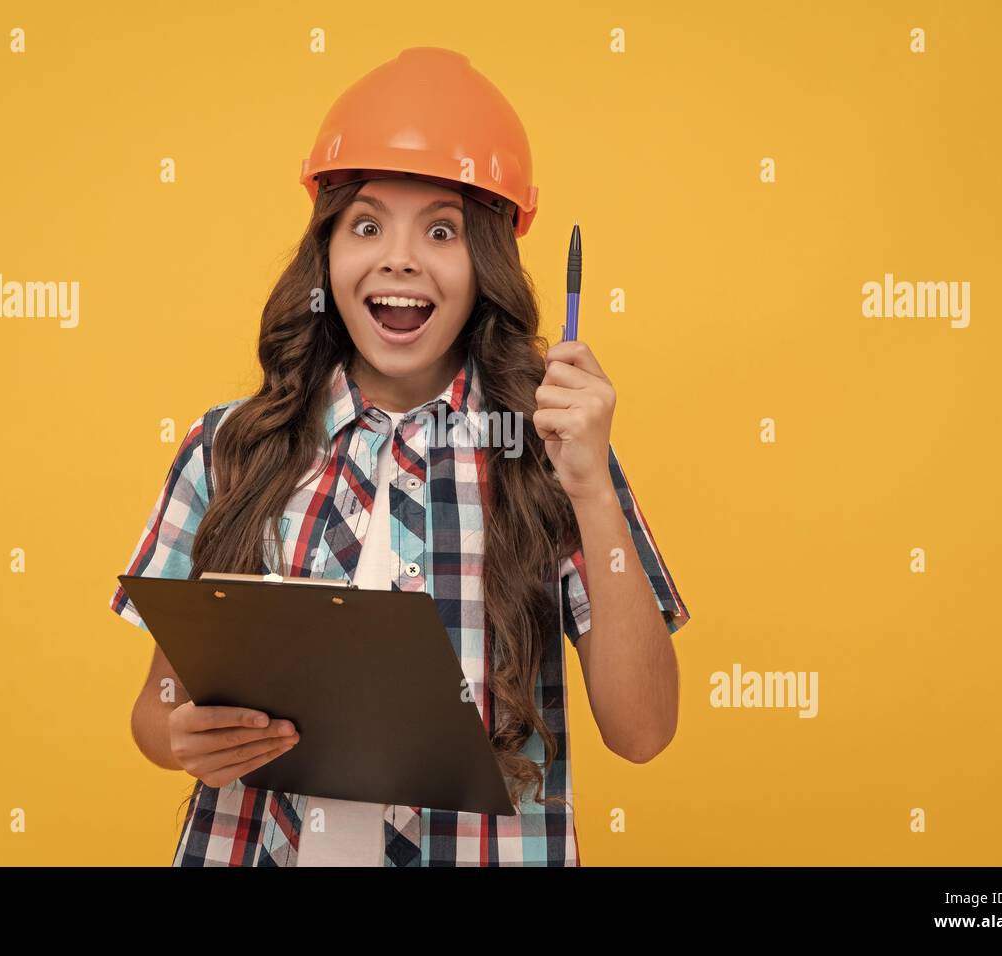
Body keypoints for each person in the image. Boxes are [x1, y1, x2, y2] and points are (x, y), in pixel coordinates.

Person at [108, 47, 690, 866]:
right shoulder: (232, 445)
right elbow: (153, 711)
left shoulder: (554, 453)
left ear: (486, 264)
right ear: (328, 252)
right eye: (368, 224)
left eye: (442, 230)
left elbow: (643, 731)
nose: (400, 259)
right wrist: (184, 736)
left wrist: (592, 488)